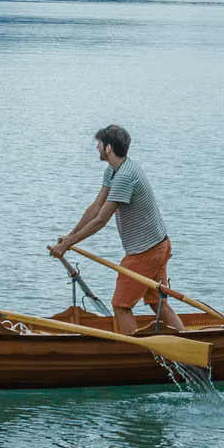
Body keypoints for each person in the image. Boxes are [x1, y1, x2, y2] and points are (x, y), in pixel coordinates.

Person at [48, 125, 184, 336]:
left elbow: (101, 220)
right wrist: (69, 236)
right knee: (157, 303)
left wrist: (68, 244)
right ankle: (188, 344)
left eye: (99, 144)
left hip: (145, 253)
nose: (96, 148)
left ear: (109, 148)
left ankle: (138, 355)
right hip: (159, 245)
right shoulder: (113, 171)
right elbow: (95, 208)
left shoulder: (124, 178)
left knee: (121, 306)